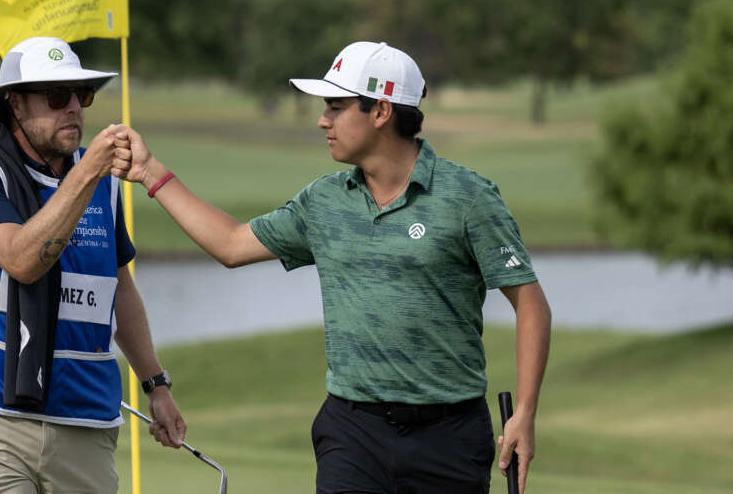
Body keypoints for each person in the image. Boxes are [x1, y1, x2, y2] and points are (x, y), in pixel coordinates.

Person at [112, 41, 551, 493]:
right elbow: (230, 244)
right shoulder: (323, 201)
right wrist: (151, 173)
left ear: (381, 111)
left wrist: (526, 414)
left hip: (450, 436)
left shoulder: (468, 198)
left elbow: (531, 306)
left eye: (336, 107)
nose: (323, 120)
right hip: (353, 431)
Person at [0, 36, 185, 494]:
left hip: (87, 422)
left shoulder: (102, 183)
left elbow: (118, 289)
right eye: (57, 97)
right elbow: (21, 260)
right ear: (15, 104)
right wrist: (87, 171)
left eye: (83, 96)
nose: (74, 108)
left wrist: (155, 383)